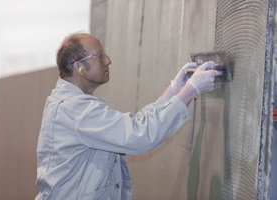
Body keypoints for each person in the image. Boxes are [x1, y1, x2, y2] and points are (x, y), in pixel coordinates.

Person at [35, 32, 223, 200]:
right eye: (100, 56)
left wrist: (174, 92)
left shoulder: (69, 105)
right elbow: (138, 135)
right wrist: (191, 91)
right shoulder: (75, 109)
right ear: (79, 67)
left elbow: (131, 127)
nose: (108, 60)